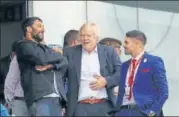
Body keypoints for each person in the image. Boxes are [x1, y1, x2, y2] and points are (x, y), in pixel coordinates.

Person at [63, 22, 121, 116]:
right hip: (80, 107)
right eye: (82, 35)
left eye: (88, 35)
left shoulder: (109, 52)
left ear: (96, 37)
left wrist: (106, 81)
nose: (85, 38)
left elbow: (121, 73)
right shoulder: (70, 53)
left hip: (104, 105)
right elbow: (61, 76)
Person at [15, 17, 68, 116]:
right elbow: (41, 59)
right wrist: (57, 55)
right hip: (40, 98)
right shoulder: (23, 45)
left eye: (43, 27)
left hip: (56, 97)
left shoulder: (45, 47)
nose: (43, 30)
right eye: (39, 26)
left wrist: (50, 66)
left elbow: (64, 61)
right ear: (29, 29)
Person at [113, 30, 168, 116]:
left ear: (137, 44)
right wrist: (116, 112)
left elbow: (163, 92)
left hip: (143, 112)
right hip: (123, 112)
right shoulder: (124, 66)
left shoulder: (154, 62)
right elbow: (121, 93)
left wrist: (152, 112)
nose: (124, 45)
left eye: (126, 42)